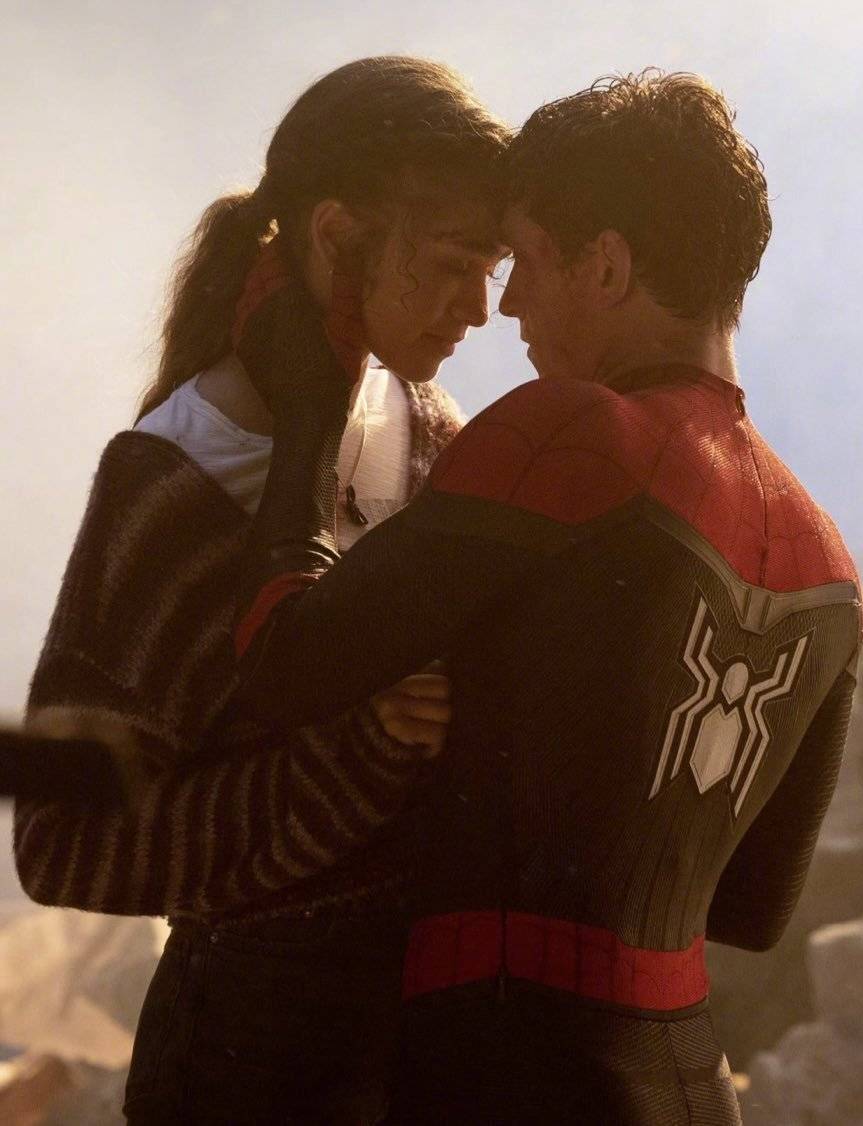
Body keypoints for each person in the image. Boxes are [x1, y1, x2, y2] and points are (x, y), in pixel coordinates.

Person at [227, 71, 863, 1124]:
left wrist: (312, 403)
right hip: (688, 1086)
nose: (507, 303)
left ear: (605, 265)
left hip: (505, 1072)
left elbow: (282, 660)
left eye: (524, 259)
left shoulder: (569, 432)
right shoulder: (827, 556)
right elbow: (754, 907)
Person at [13, 56, 509, 1124]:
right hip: (246, 1064)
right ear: (335, 234)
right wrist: (354, 755)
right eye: (451, 263)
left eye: (495, 266)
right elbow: (66, 848)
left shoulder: (432, 428)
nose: (480, 308)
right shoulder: (176, 478)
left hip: (417, 1046)